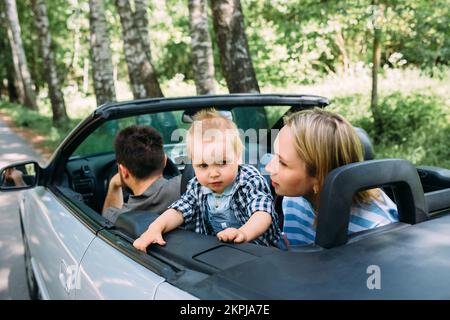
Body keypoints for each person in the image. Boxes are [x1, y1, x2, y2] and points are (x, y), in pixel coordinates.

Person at [133, 109, 281, 252]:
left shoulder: (249, 180)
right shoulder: (197, 186)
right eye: (203, 165)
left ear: (238, 157)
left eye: (222, 162)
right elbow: (178, 211)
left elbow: (262, 213)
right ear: (193, 163)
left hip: (261, 252)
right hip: (218, 253)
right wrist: (155, 228)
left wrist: (243, 233)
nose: (213, 173)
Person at [265, 108, 398, 248]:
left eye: (283, 163)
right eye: (274, 155)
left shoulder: (375, 230)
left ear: (319, 176)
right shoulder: (293, 199)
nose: (268, 168)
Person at [102, 125, 181, 223]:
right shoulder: (189, 188)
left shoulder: (118, 218)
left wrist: (114, 185)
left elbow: (106, 222)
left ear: (124, 171)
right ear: (165, 160)